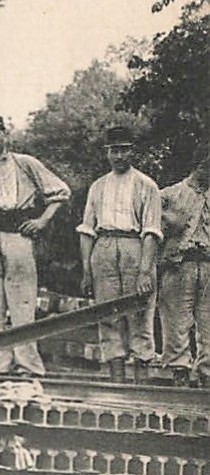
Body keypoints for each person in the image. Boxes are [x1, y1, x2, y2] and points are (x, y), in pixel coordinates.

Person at [0, 113, 71, 375]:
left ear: (6, 135)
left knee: (22, 305)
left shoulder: (25, 164)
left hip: (18, 237)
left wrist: (42, 221)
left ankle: (27, 365)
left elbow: (61, 192)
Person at [79, 125, 163, 382]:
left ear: (132, 152)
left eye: (124, 150)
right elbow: (87, 229)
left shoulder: (146, 185)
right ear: (107, 153)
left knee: (139, 315)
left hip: (134, 248)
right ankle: (117, 385)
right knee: (108, 316)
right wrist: (87, 271)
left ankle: (141, 386)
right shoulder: (98, 186)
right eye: (114, 151)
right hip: (103, 249)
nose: (118, 156)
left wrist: (145, 270)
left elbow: (151, 230)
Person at [159, 143, 210, 387]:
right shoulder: (169, 195)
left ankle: (206, 375)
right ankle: (179, 373)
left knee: (208, 325)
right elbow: (152, 232)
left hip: (209, 266)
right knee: (177, 323)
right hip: (180, 266)